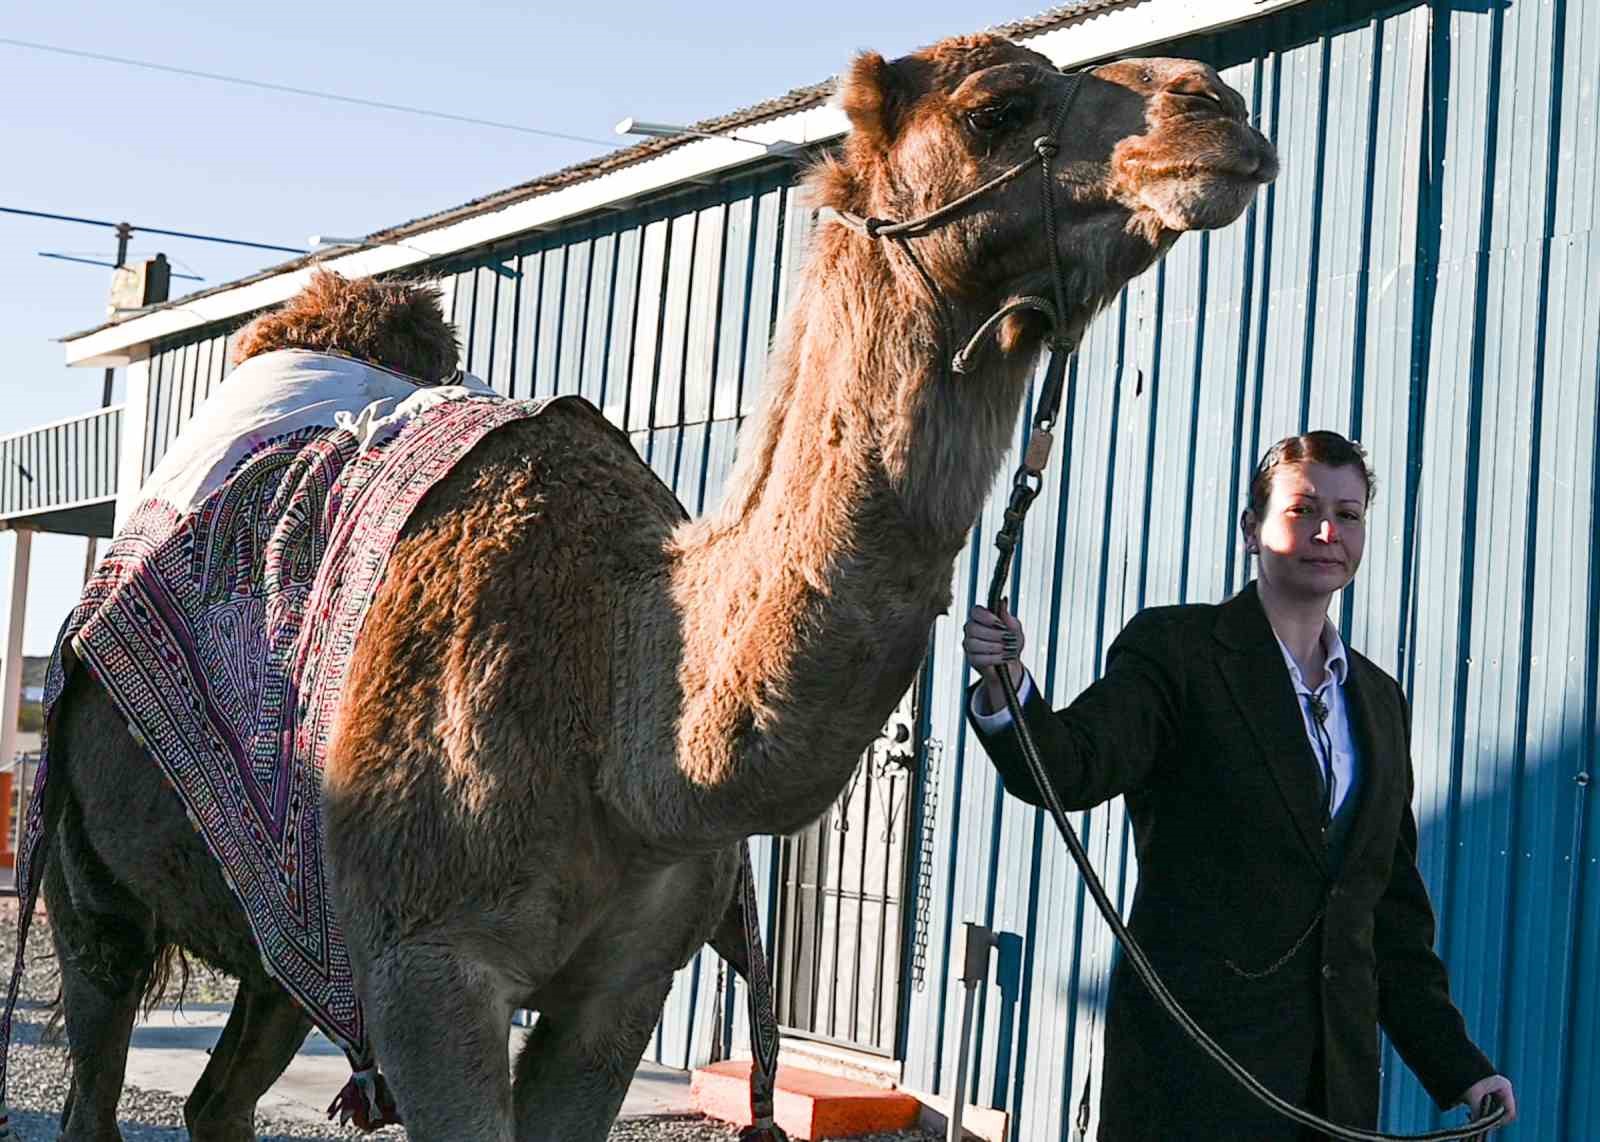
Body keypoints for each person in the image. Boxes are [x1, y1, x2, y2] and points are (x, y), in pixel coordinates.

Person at [963, 431, 1516, 1141]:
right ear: (1252, 530)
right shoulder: (1180, 652)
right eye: (1303, 509)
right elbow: (1070, 766)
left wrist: (1462, 1069)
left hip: (1331, 1101)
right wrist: (1007, 687)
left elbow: (1388, 920)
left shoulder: (1380, 702)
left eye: (1348, 515)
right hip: (1193, 1083)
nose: (1327, 532)